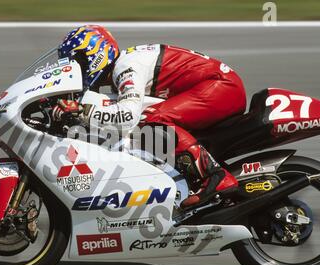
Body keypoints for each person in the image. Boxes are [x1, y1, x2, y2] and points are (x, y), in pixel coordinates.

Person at [52, 25, 246, 209]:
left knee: (152, 118)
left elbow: (127, 116)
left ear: (96, 54)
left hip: (221, 87)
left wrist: (84, 111)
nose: (78, 68)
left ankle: (215, 177)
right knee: (147, 122)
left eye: (79, 61)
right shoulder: (123, 67)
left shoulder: (125, 68)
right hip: (216, 87)